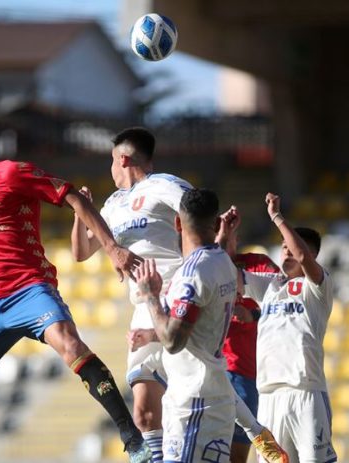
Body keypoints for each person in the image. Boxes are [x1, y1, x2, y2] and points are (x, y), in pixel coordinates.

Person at [0, 120, 152, 463]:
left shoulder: (10, 172)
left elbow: (74, 197)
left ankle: (131, 436)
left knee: (70, 344)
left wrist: (112, 248)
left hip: (31, 289)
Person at [72, 127, 287, 463]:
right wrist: (80, 210)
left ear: (124, 158)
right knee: (144, 411)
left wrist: (212, 266)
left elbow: (199, 219)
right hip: (144, 302)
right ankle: (254, 431)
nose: (110, 169)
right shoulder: (113, 205)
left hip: (178, 292)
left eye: (111, 161)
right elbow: (82, 251)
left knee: (197, 375)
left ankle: (255, 432)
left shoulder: (165, 185)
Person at [133, 188, 238, 462]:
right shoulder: (223, 260)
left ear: (177, 223)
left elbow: (173, 341)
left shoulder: (193, 274)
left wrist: (150, 296)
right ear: (215, 224)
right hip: (211, 395)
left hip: (194, 401)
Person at [240, 192, 337, 463]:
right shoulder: (269, 286)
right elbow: (231, 274)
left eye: (291, 246)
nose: (285, 250)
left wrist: (277, 217)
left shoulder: (317, 287)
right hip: (268, 395)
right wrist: (225, 234)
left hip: (304, 390)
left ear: (311, 253)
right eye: (282, 246)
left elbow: (304, 259)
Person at [217, 207, 285, 463]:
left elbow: (284, 304)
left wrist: (253, 316)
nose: (222, 242)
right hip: (218, 368)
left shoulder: (259, 264)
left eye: (226, 236)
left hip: (251, 374)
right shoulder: (201, 269)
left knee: (239, 454)